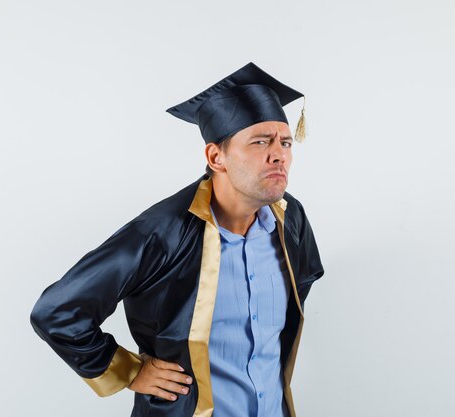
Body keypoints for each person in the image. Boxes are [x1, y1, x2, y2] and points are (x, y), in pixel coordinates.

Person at [30, 62, 324, 417]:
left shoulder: (290, 220)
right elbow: (57, 311)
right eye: (260, 141)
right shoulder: (162, 232)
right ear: (216, 157)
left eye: (286, 142)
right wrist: (129, 370)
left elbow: (301, 286)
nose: (278, 154)